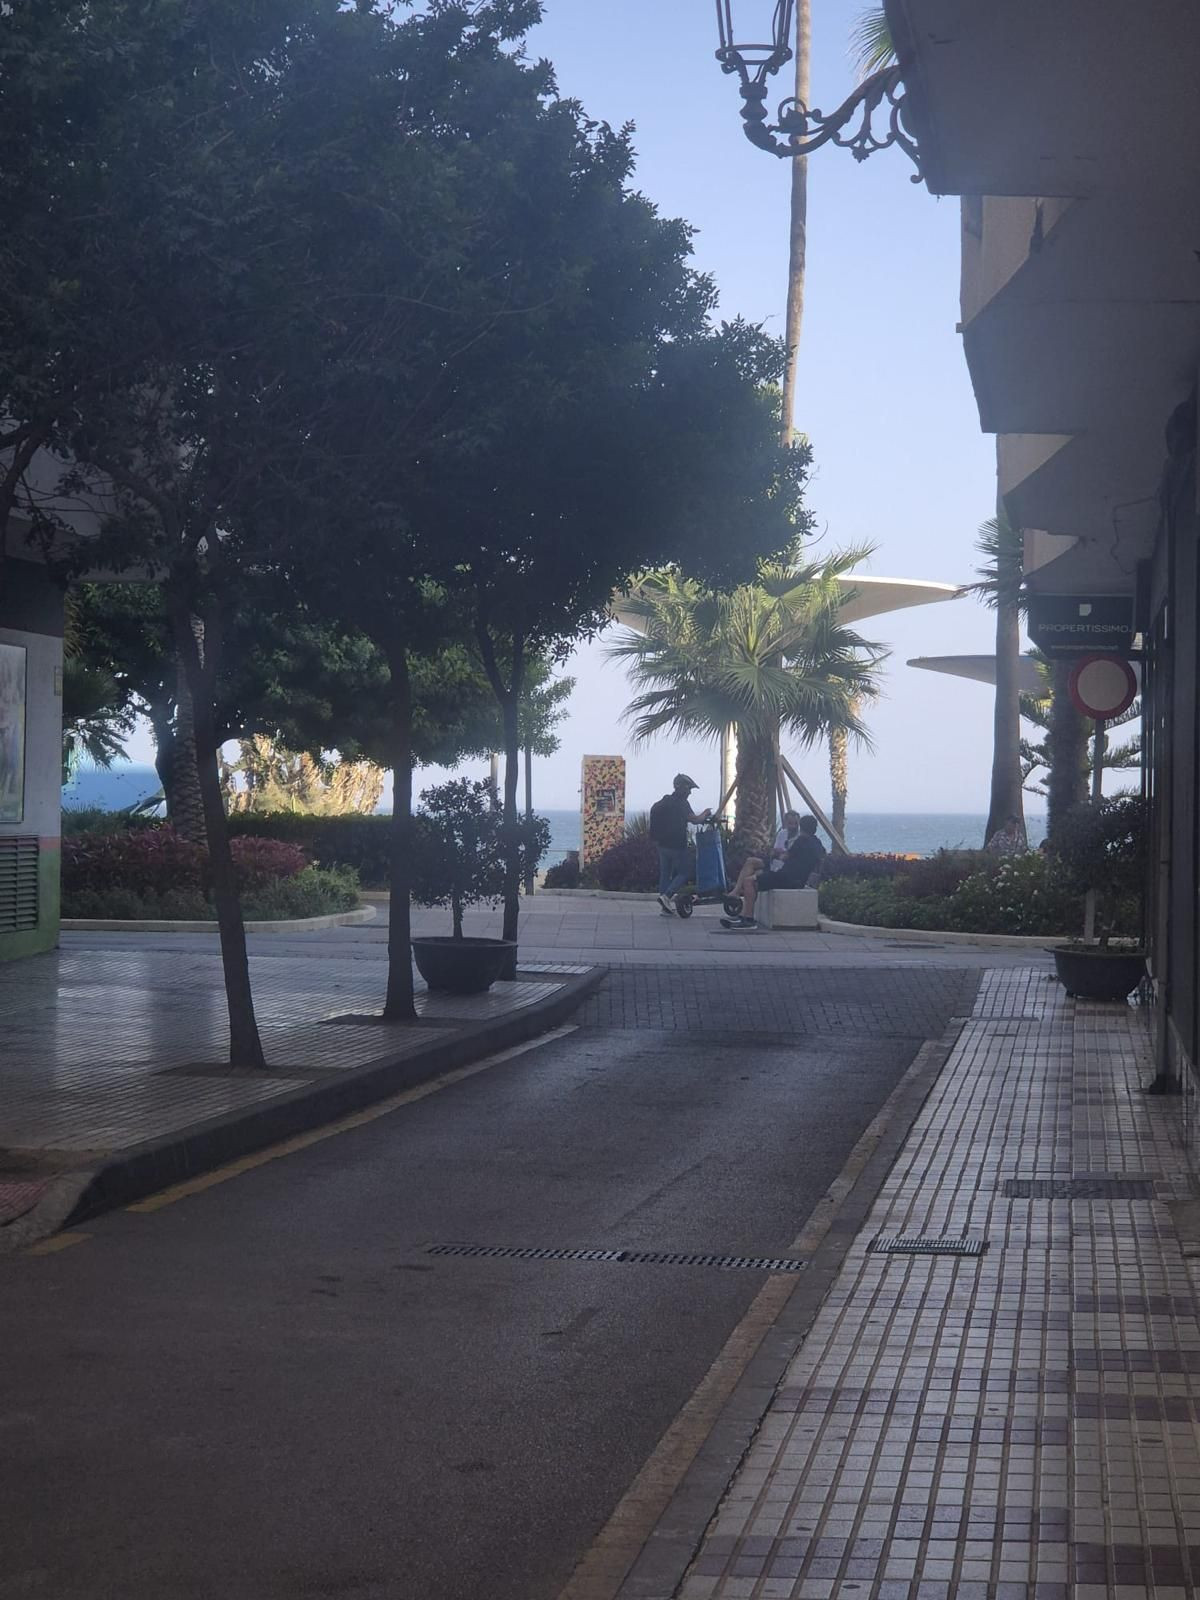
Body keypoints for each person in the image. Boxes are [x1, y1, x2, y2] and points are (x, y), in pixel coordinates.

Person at [722, 814, 825, 929]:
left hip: (786, 878)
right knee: (753, 874)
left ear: (801, 827)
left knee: (749, 881)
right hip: (794, 878)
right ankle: (744, 915)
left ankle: (748, 920)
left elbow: (784, 857)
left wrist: (777, 854)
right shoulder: (817, 843)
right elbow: (820, 859)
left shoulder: (801, 840)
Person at [649, 773, 712, 914]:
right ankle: (667, 896)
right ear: (682, 788)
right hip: (677, 845)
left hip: (662, 845)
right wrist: (706, 813)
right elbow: (695, 820)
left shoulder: (664, 801)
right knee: (685, 872)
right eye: (689, 789)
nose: (690, 792)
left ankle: (665, 906)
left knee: (665, 874)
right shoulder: (682, 804)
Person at [727, 810, 802, 909]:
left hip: (784, 869)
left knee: (752, 878)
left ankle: (747, 911)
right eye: (790, 823)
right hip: (774, 862)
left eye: (795, 823)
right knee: (750, 861)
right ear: (786, 823)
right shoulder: (782, 834)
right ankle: (736, 891)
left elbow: (790, 856)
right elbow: (775, 851)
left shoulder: (800, 838)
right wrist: (776, 853)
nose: (793, 826)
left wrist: (781, 854)